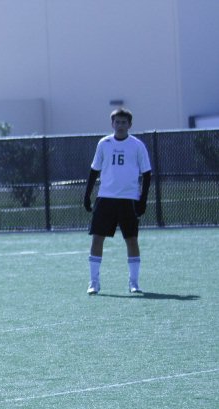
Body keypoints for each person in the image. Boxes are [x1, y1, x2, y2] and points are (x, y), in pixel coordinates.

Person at [83, 107, 152, 295]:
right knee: (97, 239)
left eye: (124, 122)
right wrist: (87, 195)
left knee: (131, 239)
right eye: (117, 122)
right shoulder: (104, 143)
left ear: (130, 124)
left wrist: (142, 200)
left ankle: (134, 282)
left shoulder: (137, 145)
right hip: (105, 198)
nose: (120, 125)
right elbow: (94, 171)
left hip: (128, 199)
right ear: (112, 124)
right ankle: (94, 282)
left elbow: (147, 174)